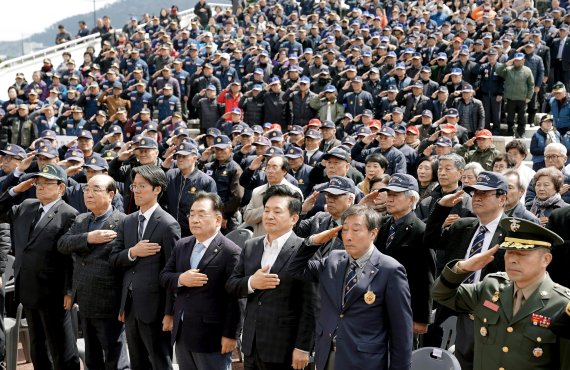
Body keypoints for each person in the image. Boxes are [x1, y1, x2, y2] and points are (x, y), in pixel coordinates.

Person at [432, 217, 570, 370]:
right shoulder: (491, 286)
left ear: (546, 259)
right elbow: (441, 294)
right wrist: (462, 268)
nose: (512, 260)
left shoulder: (562, 304)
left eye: (522, 254)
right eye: (509, 252)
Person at [287, 204, 413, 370]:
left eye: (356, 230)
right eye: (344, 230)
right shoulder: (333, 260)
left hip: (365, 361)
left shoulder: (390, 270)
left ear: (373, 233)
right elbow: (295, 269)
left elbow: (401, 332)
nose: (348, 236)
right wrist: (314, 241)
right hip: (327, 355)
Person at [423, 171, 510, 369]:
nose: (477, 198)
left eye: (484, 194)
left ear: (502, 198)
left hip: (489, 314)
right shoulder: (463, 226)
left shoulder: (511, 233)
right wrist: (442, 208)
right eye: (474, 193)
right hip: (451, 310)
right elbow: (430, 240)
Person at [226, 185, 315, 370]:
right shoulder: (251, 246)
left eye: (277, 211)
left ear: (294, 218)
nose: (269, 216)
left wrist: (303, 347)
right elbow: (232, 285)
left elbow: (311, 306)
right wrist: (252, 282)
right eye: (266, 210)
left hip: (285, 348)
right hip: (252, 345)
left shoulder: (303, 251)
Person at [0, 164, 80, 370]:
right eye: (38, 183)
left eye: (47, 183)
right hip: (28, 288)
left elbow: (72, 257)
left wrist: (70, 290)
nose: (41, 187)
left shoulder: (68, 214)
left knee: (61, 348)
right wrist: (15, 190)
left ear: (61, 188)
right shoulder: (27, 206)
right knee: (37, 346)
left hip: (53, 292)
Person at [109, 165, 181, 370]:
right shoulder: (129, 221)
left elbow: (173, 272)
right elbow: (114, 258)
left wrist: (170, 312)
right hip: (131, 306)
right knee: (137, 362)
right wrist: (133, 252)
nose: (136, 191)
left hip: (156, 308)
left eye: (142, 186)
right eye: (134, 186)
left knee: (159, 361)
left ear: (157, 189)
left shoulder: (168, 224)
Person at [160, 192, 241, 370]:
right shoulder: (183, 245)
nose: (194, 219)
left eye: (201, 214)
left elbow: (235, 299)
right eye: (192, 214)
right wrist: (182, 278)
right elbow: (165, 277)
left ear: (218, 219)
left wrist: (231, 334)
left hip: (212, 337)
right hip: (183, 332)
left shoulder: (230, 251)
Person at [57, 174, 127, 370]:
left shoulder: (123, 222)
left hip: (110, 302)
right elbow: (62, 244)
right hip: (85, 299)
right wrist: (89, 238)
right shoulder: (81, 219)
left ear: (111, 194)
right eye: (86, 189)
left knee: (115, 359)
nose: (88, 194)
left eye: (96, 189)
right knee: (92, 358)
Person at [375, 174, 436, 340]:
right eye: (389, 194)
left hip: (405, 307)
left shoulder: (420, 230)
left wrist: (422, 318)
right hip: (379, 303)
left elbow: (426, 277)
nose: (390, 199)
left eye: (396, 195)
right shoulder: (385, 225)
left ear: (411, 199)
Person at [243, 155, 302, 237]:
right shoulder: (257, 191)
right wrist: (267, 208)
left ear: (284, 171)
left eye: (274, 167)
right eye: (268, 167)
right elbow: (247, 217)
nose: (270, 171)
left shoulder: (293, 193)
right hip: (259, 241)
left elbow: (293, 222)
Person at [295, 176, 356, 256]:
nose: (330, 200)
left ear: (350, 199)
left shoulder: (357, 226)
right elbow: (292, 232)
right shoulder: (319, 218)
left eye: (335, 196)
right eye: (328, 195)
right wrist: (302, 210)